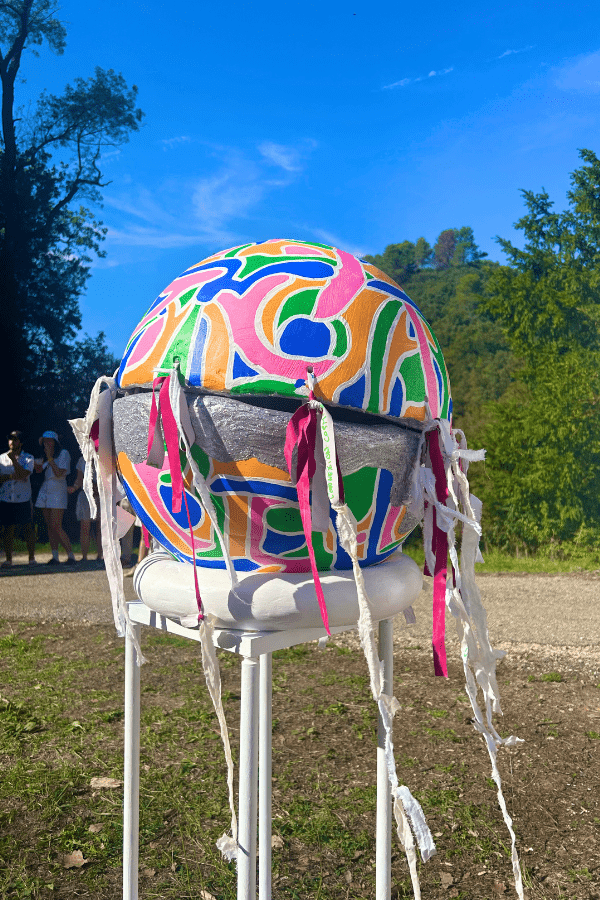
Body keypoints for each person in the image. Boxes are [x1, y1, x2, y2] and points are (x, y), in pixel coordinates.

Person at [34, 431, 76, 566]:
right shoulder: (46, 457)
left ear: (55, 442)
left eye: (49, 440)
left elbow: (59, 473)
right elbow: (39, 471)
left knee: (56, 525)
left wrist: (50, 458)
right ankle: (55, 557)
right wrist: (39, 465)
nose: (46, 443)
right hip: (45, 490)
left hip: (58, 490)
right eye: (44, 441)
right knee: (49, 526)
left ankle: (71, 555)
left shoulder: (63, 453)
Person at [0, 430, 37, 567]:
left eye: (15, 439)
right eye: (10, 439)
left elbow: (23, 475)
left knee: (28, 528)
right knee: (7, 529)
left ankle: (31, 558)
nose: (11, 442)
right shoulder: (1, 458)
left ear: (20, 442)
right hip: (6, 498)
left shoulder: (28, 458)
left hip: (23, 498)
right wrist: (10, 476)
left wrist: (14, 461)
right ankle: (8, 559)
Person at [68, 457, 103, 564]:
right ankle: (84, 556)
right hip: (86, 496)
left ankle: (101, 555)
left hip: (101, 496)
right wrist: (74, 488)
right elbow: (79, 479)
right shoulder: (82, 460)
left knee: (100, 528)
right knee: (85, 527)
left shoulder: (103, 457)